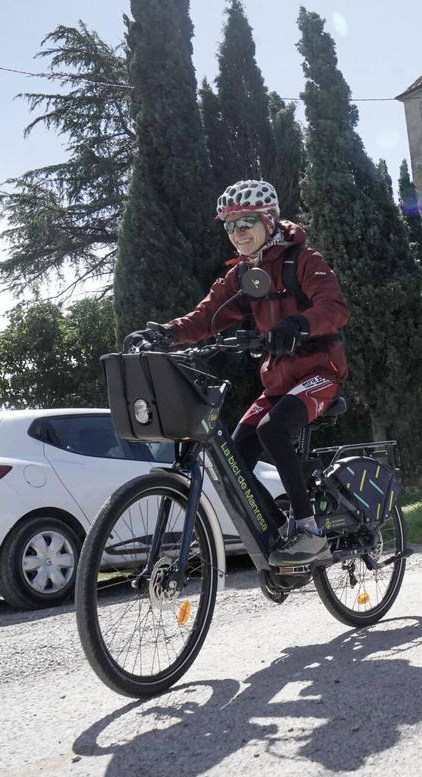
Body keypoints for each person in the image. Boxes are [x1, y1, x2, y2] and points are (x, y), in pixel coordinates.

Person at [128, 179, 349, 567]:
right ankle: (283, 529)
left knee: (272, 429)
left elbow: (334, 308)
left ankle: (310, 530)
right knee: (233, 457)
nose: (237, 233)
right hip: (278, 381)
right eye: (229, 226)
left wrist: (297, 325)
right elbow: (206, 316)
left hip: (321, 369)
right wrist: (166, 332)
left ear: (268, 220)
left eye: (245, 222)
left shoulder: (305, 261)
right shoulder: (243, 276)